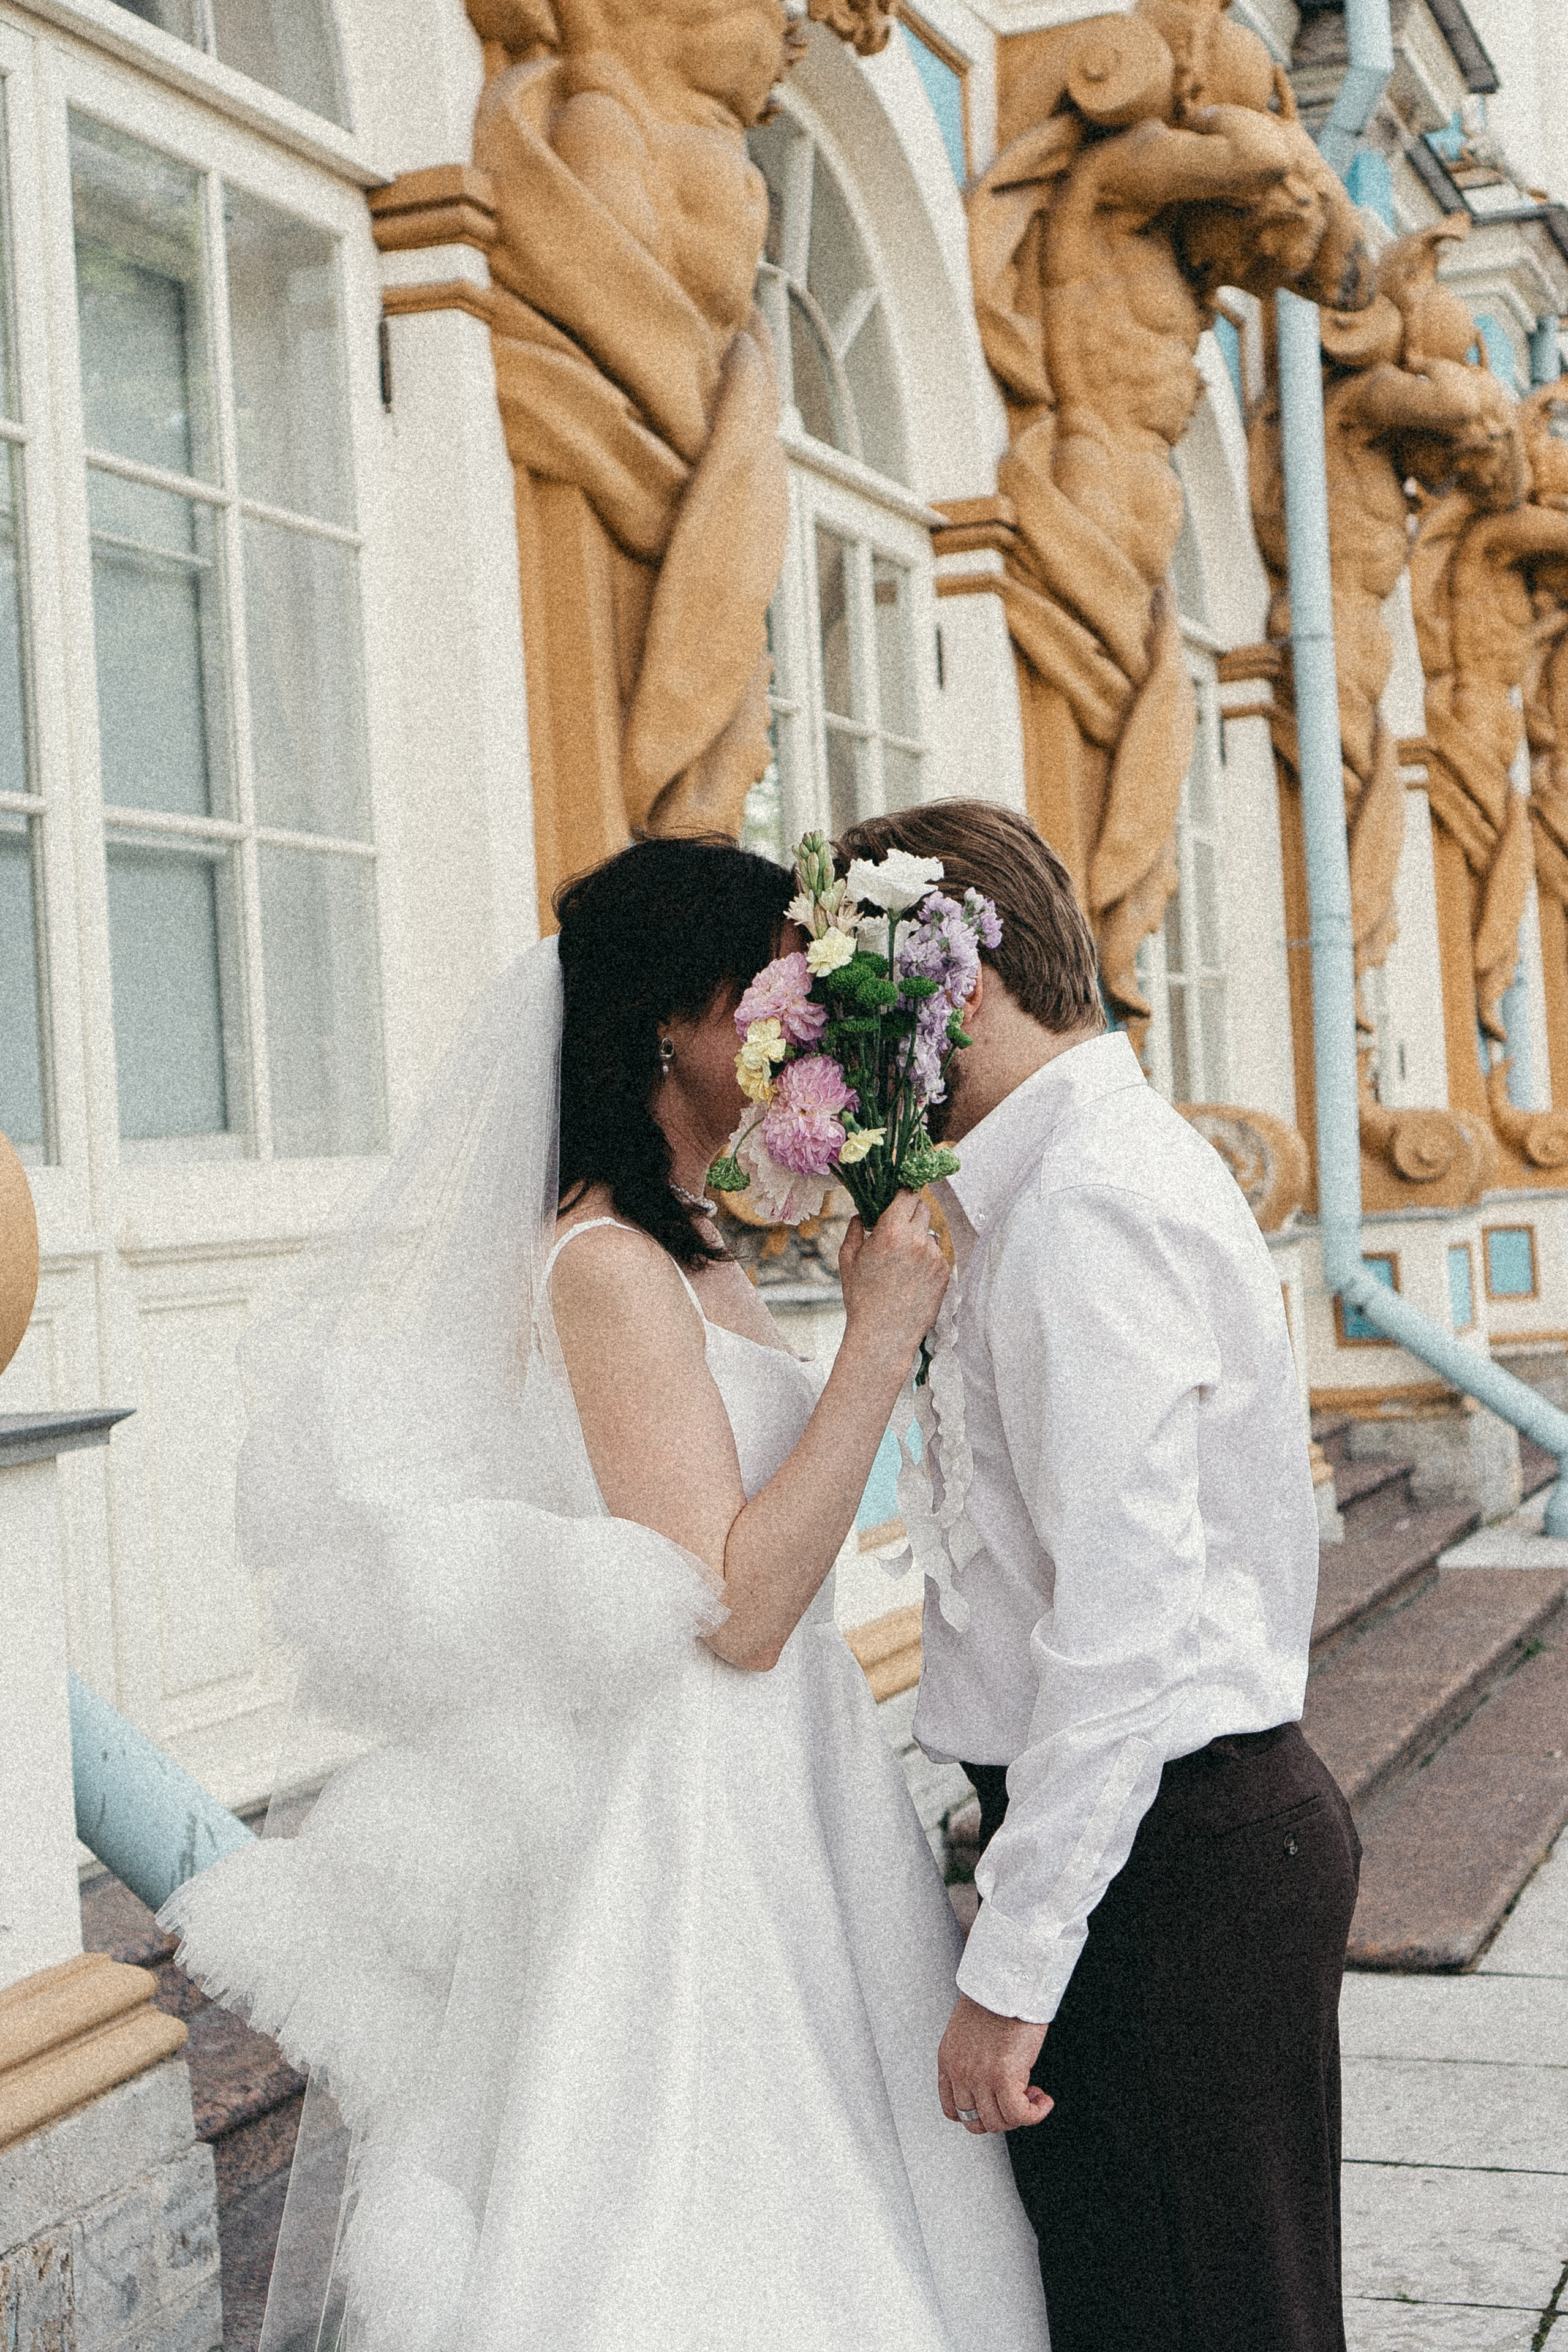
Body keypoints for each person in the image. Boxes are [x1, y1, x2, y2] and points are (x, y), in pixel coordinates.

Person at [160, 836, 1049, 2352]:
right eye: (765, 994)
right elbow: (738, 1611)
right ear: (668, 1023)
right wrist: (876, 1331)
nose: (793, 1029)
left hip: (792, 1786)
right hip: (697, 1806)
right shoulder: (605, 1267)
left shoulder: (687, 1247)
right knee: (708, 2216)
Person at [836, 799, 1360, 2352]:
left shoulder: (1082, 1207)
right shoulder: (1054, 1181)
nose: (836, 1074)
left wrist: (1013, 1963)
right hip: (1155, 1844)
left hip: (1167, 1859)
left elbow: (1120, 1631)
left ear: (964, 985)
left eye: (852, 1017)